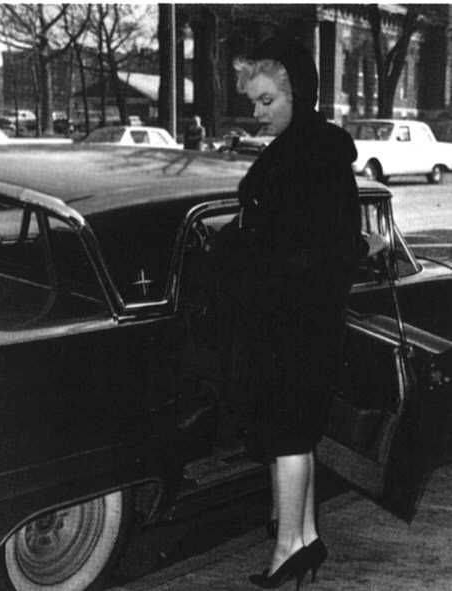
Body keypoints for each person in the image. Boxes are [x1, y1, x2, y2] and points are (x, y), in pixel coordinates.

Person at [225, 36, 367, 589]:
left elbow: (314, 246)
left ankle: (287, 549)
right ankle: (303, 539)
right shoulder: (311, 150)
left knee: (287, 435)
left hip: (294, 320)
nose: (258, 113)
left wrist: (244, 256)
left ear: (297, 94)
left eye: (267, 101)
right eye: (254, 103)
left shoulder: (306, 156)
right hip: (303, 317)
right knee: (296, 436)